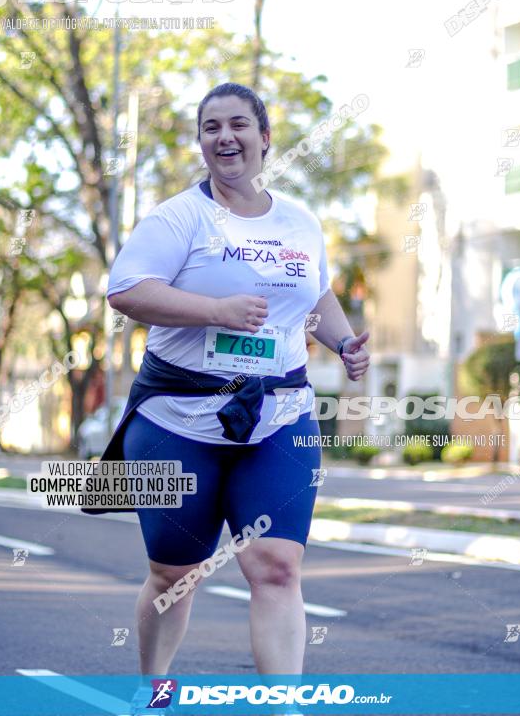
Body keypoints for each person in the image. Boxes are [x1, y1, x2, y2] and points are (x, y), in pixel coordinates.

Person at [96, 83, 370, 711]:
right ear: (201, 142)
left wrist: (345, 343)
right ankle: (154, 685)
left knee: (276, 566)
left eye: (239, 124)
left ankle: (283, 704)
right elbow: (126, 290)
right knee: (175, 573)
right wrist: (214, 309)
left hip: (280, 418)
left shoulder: (300, 221)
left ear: (265, 137)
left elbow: (317, 295)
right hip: (177, 419)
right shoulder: (178, 218)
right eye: (211, 127)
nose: (225, 138)